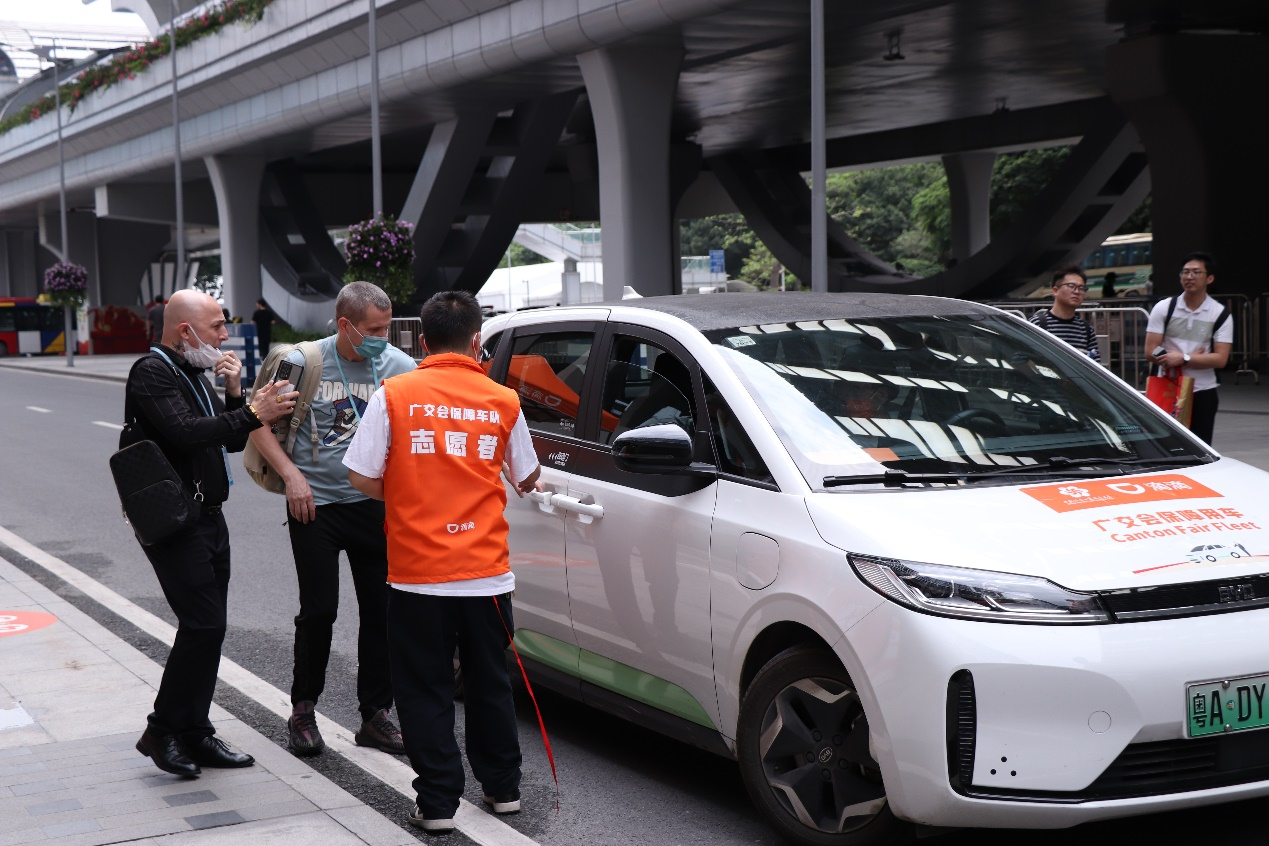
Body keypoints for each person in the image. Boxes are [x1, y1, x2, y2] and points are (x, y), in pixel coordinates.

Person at [344, 290, 541, 833]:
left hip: (418, 578)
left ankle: (436, 805)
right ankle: (503, 790)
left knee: (424, 689)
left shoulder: (396, 394)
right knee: (489, 685)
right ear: (477, 339)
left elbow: (359, 474)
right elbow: (526, 478)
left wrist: (409, 491)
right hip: (487, 575)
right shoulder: (503, 400)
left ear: (422, 341)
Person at [125, 290, 298, 776]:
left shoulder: (196, 372)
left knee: (211, 627)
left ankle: (196, 732)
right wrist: (251, 412)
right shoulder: (152, 372)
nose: (226, 335)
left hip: (207, 517)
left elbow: (231, 437)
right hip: (174, 522)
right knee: (202, 625)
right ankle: (161, 732)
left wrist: (238, 395)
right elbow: (184, 433)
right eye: (219, 326)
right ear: (187, 331)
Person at [247, 281, 415, 758]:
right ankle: (303, 710)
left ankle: (375, 715)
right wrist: (292, 476)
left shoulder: (399, 368)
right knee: (320, 610)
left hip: (375, 508)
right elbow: (255, 420)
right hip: (314, 506)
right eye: (375, 329)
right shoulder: (301, 363)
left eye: (388, 326)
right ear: (346, 325)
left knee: (380, 612)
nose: (385, 337)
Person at [1145, 252, 1233, 445]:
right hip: (1167, 388)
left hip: (1203, 391)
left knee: (1200, 448)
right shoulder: (1164, 308)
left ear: (1209, 278)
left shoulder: (1220, 314)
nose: (1189, 277)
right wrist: (1170, 357)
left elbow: (1220, 359)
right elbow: (1150, 350)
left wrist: (1184, 357)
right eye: (1185, 272)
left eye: (1196, 272)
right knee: (1165, 447)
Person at [1030, 266, 1101, 361]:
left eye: (1081, 288)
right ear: (1055, 290)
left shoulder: (1086, 329)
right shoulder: (1038, 324)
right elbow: (1021, 359)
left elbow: (1096, 365)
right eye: (1071, 286)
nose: (1077, 292)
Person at [252, 298, 277, 363]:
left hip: (259, 332)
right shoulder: (269, 312)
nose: (256, 305)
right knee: (266, 346)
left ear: (260, 304)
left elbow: (252, 322)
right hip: (267, 332)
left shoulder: (256, 313)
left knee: (260, 345)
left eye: (257, 303)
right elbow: (273, 322)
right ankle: (266, 359)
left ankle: (261, 358)